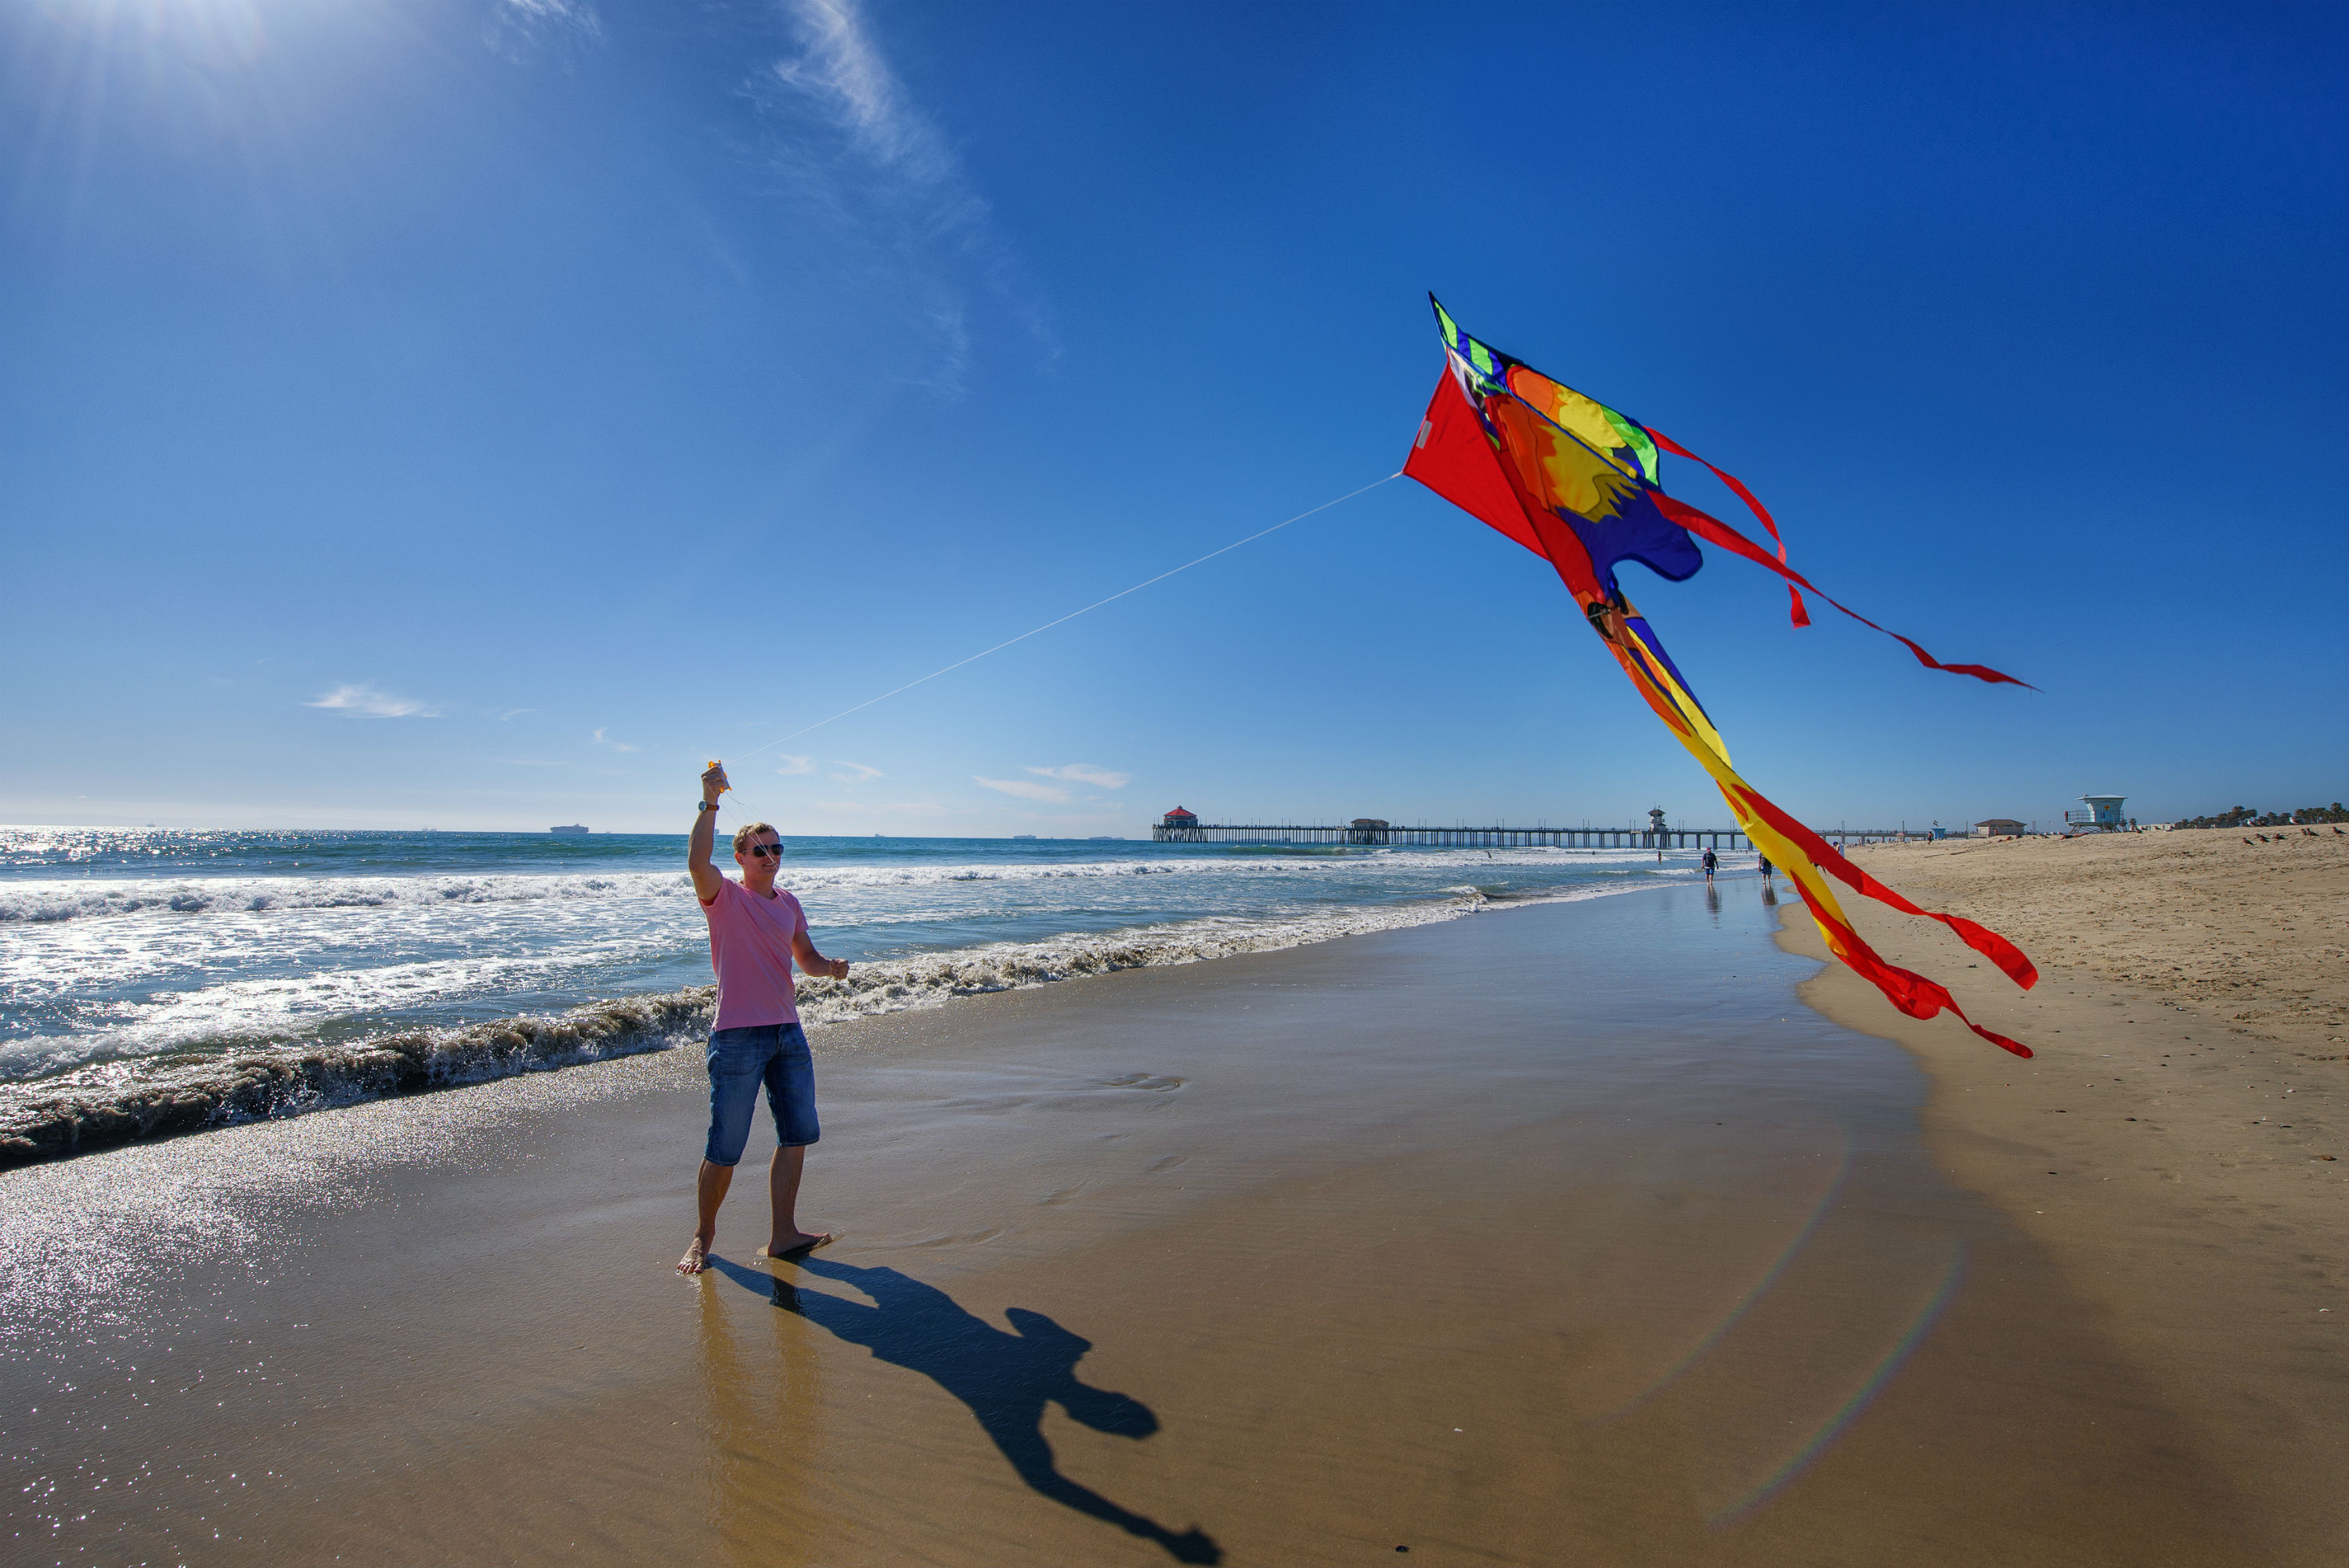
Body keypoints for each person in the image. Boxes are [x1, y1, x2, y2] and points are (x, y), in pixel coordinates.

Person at [679, 762, 853, 1276]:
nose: (771, 856)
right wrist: (710, 800)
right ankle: (702, 1236)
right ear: (741, 858)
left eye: (778, 848)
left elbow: (807, 958)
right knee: (726, 1145)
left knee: (798, 1131)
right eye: (761, 849)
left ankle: (783, 1234)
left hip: (787, 1032)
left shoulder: (790, 904)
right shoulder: (724, 896)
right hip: (735, 1036)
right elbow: (695, 860)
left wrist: (832, 969)